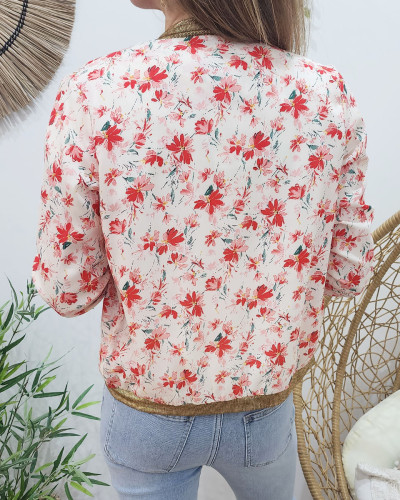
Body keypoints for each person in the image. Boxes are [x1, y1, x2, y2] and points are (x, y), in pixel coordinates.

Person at [31, 0, 376, 498]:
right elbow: (349, 272)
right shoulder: (323, 94)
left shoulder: (96, 93)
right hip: (264, 408)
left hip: (146, 413)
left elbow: (67, 290)